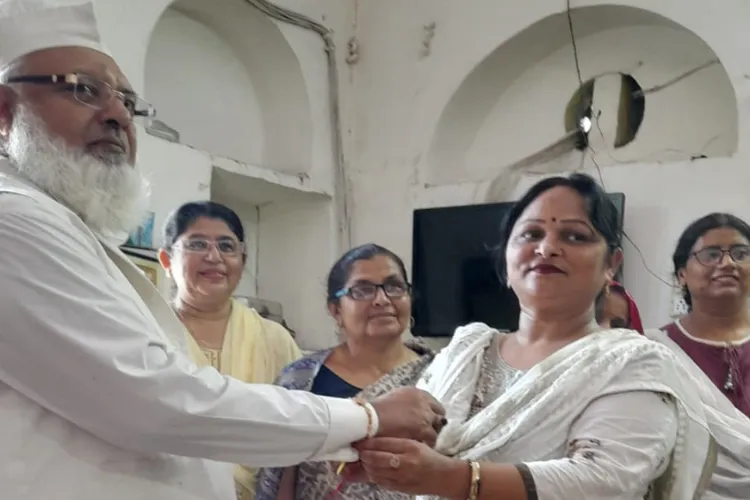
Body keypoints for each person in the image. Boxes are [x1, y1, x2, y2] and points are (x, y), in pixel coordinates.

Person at [0, 2, 445, 499]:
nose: (117, 116)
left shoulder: (63, 226)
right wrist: (366, 416)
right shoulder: (13, 219)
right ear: (4, 110)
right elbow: (157, 402)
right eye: (83, 89)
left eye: (127, 101)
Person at [349, 173, 715, 499]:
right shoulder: (465, 351)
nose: (547, 248)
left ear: (611, 265)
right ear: (506, 261)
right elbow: (415, 440)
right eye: (531, 234)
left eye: (574, 235)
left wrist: (455, 479)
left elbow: (603, 481)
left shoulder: (633, 363)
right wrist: (371, 449)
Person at [256, 243, 435, 500]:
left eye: (394, 287)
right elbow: (280, 476)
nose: (382, 299)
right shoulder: (300, 380)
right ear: (335, 310)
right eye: (362, 290)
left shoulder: (443, 371)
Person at [159, 201, 303, 500]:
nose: (214, 257)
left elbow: (299, 433)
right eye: (197, 244)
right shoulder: (148, 331)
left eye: (227, 246)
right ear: (166, 260)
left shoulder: (274, 339)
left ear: (242, 259)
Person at [646, 213, 750, 499]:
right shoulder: (652, 351)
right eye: (711, 254)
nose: (727, 263)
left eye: (741, 253)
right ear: (682, 275)